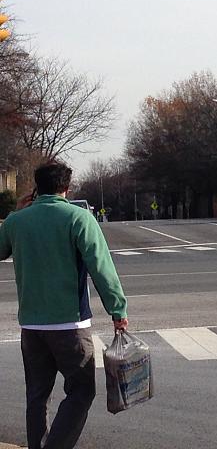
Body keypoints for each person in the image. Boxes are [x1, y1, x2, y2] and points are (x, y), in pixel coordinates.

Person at [0, 161, 129, 449]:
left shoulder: (17, 222)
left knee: (37, 395)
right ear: (66, 189)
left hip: (31, 327)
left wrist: (15, 214)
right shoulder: (78, 218)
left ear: (36, 187)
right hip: (70, 324)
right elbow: (101, 267)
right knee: (81, 391)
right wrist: (117, 309)